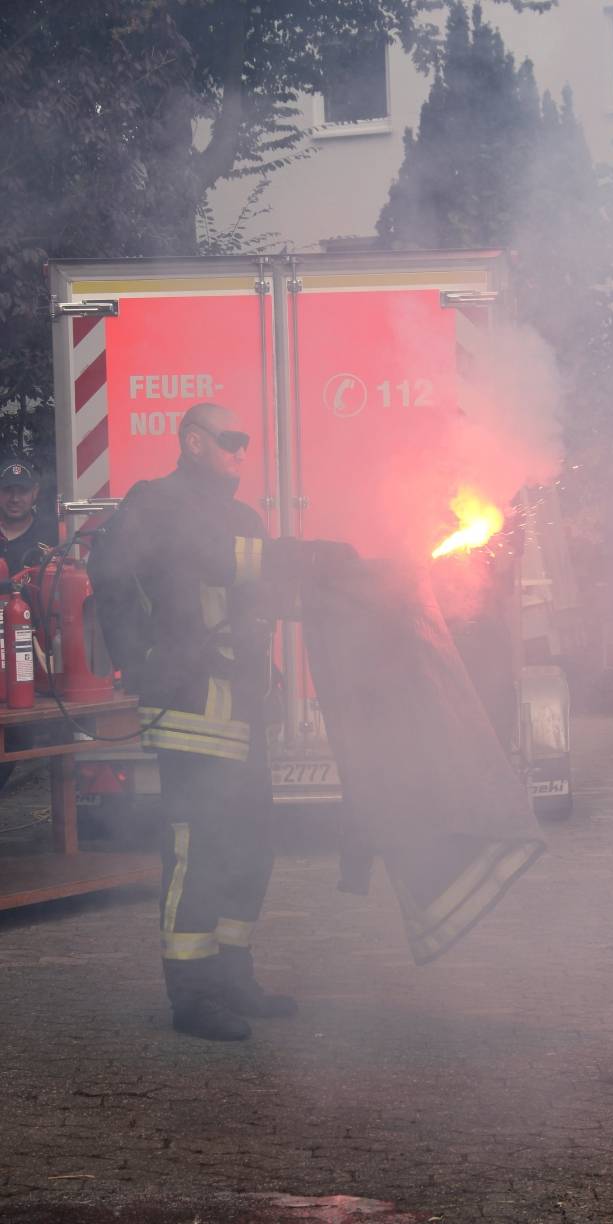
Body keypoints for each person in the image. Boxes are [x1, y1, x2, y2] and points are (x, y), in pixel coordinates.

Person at [88, 402, 355, 1042]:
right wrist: (144, 659)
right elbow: (211, 560)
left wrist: (357, 583)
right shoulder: (158, 503)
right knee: (196, 851)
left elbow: (261, 588)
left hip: (242, 710)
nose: (241, 451)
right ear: (193, 441)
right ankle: (192, 994)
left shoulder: (240, 514)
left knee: (250, 846)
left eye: (244, 441)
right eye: (229, 440)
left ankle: (234, 976)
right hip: (188, 710)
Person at [0, 458, 57, 576]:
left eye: (22, 491)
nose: (15, 498)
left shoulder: (51, 536)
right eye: (8, 490)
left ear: (35, 492)